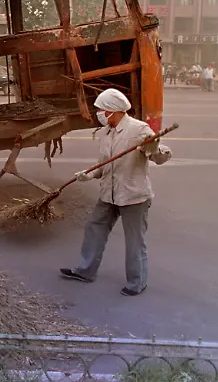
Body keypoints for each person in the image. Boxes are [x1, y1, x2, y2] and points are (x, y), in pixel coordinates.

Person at [60, 88, 172, 296]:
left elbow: (159, 157)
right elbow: (104, 165)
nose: (99, 114)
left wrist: (153, 147)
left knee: (134, 241)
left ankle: (137, 282)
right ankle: (85, 271)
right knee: (94, 228)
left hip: (133, 196)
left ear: (113, 110)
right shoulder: (106, 133)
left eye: (101, 110)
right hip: (109, 194)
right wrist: (90, 174)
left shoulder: (139, 129)